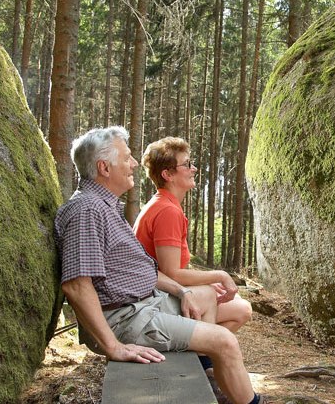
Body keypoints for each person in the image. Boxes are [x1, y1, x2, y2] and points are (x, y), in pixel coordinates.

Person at [54, 126, 265, 404]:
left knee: (203, 295)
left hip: (144, 304)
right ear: (104, 167)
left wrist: (182, 291)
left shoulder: (105, 206)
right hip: (125, 318)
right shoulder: (87, 211)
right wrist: (113, 346)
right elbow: (77, 285)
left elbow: (144, 270)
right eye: (127, 158)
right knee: (224, 341)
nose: (133, 165)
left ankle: (206, 377)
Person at [133, 136, 253, 334]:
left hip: (157, 291)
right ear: (167, 174)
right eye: (187, 164)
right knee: (241, 309)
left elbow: (169, 269)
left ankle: (202, 355)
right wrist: (220, 275)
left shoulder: (163, 204)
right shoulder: (167, 211)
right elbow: (172, 273)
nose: (194, 169)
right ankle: (202, 356)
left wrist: (208, 280)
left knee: (232, 299)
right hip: (154, 298)